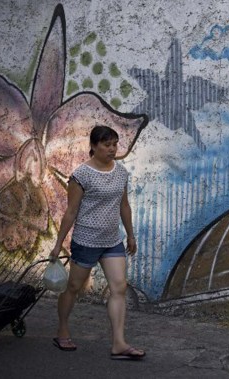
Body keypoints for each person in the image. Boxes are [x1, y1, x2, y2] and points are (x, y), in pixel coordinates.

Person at [49, 125, 145, 360]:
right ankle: (62, 328)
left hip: (112, 241)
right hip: (86, 241)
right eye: (107, 144)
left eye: (115, 144)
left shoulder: (120, 172)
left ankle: (119, 343)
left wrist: (130, 235)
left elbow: (124, 206)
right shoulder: (81, 175)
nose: (112, 149)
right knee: (74, 288)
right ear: (93, 146)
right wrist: (58, 243)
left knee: (119, 287)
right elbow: (71, 212)